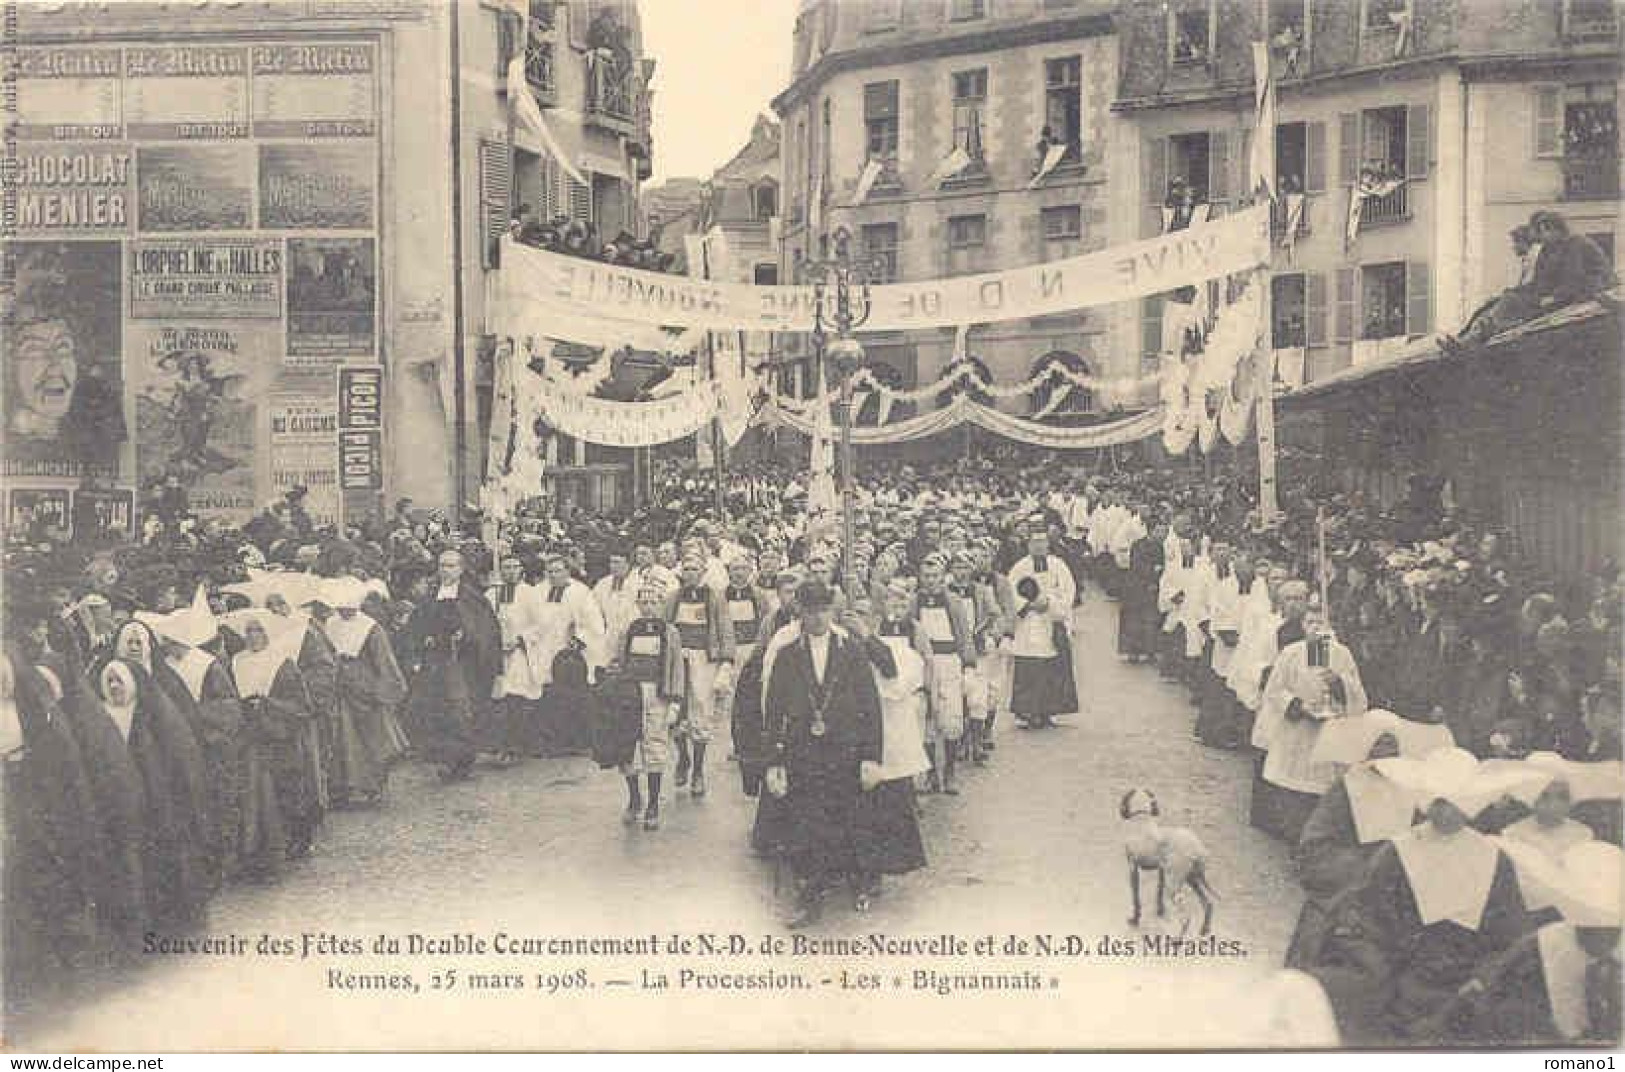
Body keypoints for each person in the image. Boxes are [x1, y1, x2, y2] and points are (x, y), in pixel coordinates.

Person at [761, 580, 892, 928]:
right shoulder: (788, 655)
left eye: (823, 610)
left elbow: (871, 708)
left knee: (851, 819)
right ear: (799, 612)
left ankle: (859, 882)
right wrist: (774, 761)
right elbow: (773, 711)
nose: (818, 618)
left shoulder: (851, 651)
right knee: (807, 823)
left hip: (847, 750)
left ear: (832, 611)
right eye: (810, 611)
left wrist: (871, 757)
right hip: (803, 753)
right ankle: (810, 897)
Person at [1252, 605, 1369, 842]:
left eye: (1320, 623)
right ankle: (1292, 833)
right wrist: (1297, 706)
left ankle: (1312, 839)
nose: (1315, 628)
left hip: (1328, 731)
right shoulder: (1291, 653)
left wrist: (1339, 684)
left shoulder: (1341, 654)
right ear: (1303, 626)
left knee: (1321, 788)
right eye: (1310, 623)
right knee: (1293, 787)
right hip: (1298, 732)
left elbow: (1358, 695)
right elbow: (1275, 690)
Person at [851, 590, 929, 893]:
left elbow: (895, 686)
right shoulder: (845, 650)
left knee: (886, 808)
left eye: (864, 614)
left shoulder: (904, 653)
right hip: (856, 742)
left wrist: (869, 641)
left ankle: (877, 870)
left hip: (891, 741)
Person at [404, 549, 502, 782]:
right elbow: (418, 625)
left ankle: (461, 762)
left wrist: (465, 636)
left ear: (460, 569)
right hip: (434, 662)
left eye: (450, 566)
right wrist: (422, 641)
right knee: (438, 711)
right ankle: (444, 758)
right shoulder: (430, 596)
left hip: (462, 664)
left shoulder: (472, 597)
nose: (445, 570)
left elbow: (486, 631)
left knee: (460, 711)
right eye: (442, 565)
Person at [612, 584, 686, 830]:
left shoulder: (670, 632)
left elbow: (676, 668)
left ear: (661, 603)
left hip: (658, 694)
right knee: (628, 745)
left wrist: (675, 701)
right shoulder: (630, 629)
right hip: (632, 695)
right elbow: (620, 662)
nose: (648, 606)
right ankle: (635, 799)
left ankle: (653, 803)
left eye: (654, 601)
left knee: (654, 745)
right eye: (643, 602)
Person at [665, 554, 735, 797]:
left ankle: (697, 770)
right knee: (675, 710)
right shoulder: (673, 598)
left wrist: (726, 661)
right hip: (677, 660)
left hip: (704, 660)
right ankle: (682, 758)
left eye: (695, 568)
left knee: (700, 712)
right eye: (686, 569)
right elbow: (665, 627)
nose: (690, 573)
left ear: (704, 571)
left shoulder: (714, 597)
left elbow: (725, 628)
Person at [532, 553, 607, 758]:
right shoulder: (538, 592)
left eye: (558, 571)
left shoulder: (581, 593)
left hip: (572, 654)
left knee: (573, 696)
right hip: (545, 649)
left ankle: (578, 740)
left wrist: (579, 638)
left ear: (567, 571)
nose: (554, 576)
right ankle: (552, 740)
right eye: (550, 572)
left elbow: (594, 624)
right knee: (547, 695)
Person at [485, 554, 546, 764]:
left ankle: (515, 746)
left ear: (521, 570)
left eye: (514, 567)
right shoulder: (492, 594)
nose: (510, 571)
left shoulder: (530, 594)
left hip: (521, 652)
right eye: (506, 567)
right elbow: (484, 621)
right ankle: (498, 745)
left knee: (516, 698)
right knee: (499, 698)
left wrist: (519, 641)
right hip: (497, 652)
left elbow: (540, 624)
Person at [1009, 575, 1078, 729]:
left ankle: (1046, 712)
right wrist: (1027, 605)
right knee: (1027, 676)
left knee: (1047, 676)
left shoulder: (1058, 567)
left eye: (1042, 547)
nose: (1038, 548)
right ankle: (1028, 713)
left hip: (1047, 633)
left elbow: (1066, 597)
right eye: (1034, 547)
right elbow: (1010, 595)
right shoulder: (1020, 568)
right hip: (1024, 635)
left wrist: (1048, 603)